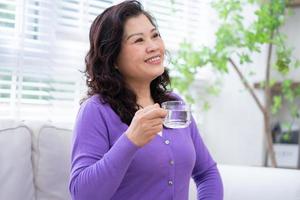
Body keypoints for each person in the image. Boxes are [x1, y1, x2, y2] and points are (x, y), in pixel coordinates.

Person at [69, 1, 223, 199]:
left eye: (155, 35)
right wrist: (130, 141)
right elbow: (82, 194)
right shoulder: (96, 110)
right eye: (138, 40)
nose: (153, 47)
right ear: (113, 58)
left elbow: (207, 173)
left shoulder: (174, 104)